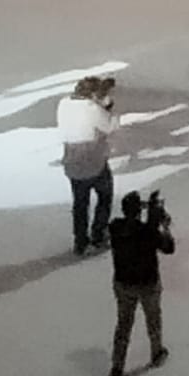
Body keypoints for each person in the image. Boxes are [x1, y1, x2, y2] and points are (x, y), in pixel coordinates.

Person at [105, 190, 175, 376]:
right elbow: (169, 247)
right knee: (153, 318)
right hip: (147, 283)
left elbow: (132, 228)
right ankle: (156, 352)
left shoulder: (115, 228)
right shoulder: (148, 232)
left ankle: (117, 369)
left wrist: (149, 216)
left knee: (123, 325)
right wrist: (162, 224)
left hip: (123, 283)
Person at [57, 74, 116, 256]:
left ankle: (80, 241)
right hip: (93, 160)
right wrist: (107, 108)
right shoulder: (92, 108)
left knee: (80, 203)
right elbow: (109, 126)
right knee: (104, 196)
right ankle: (98, 234)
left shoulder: (63, 103)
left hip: (71, 161)